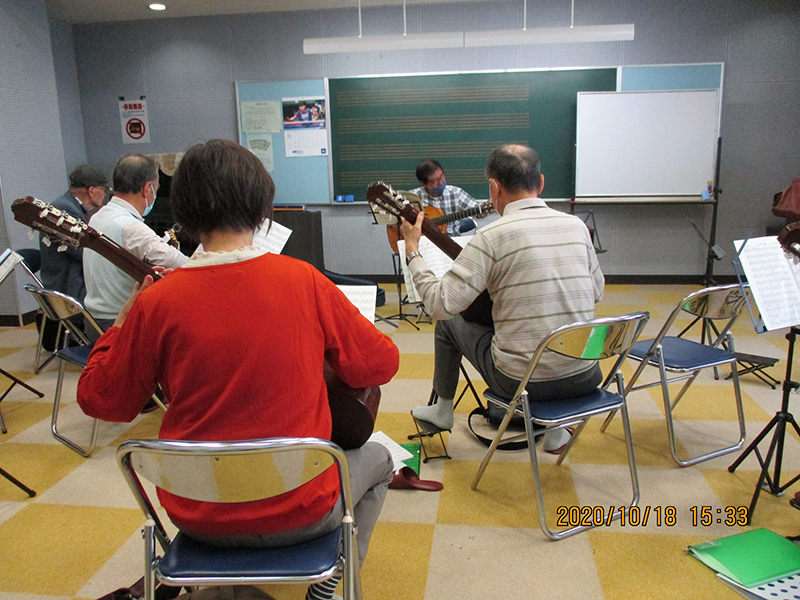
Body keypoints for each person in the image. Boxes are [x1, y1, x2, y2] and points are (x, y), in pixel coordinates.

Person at [76, 139, 398, 600]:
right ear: (261, 208)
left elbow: (101, 400)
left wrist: (120, 325)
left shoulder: (156, 301)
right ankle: (329, 584)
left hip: (197, 513)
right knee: (382, 460)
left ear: (183, 211)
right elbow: (382, 363)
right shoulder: (303, 281)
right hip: (301, 510)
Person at [400, 145, 604, 453]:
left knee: (448, 323)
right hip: (585, 374)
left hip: (521, 383)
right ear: (541, 183)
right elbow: (597, 292)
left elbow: (440, 305)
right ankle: (556, 431)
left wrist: (413, 250)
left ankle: (443, 409)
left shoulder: (491, 236)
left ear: (494, 187)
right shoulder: (577, 227)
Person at [83, 154, 188, 338]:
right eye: (156, 189)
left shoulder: (98, 217)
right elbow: (181, 263)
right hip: (119, 323)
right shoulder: (129, 227)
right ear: (148, 188)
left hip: (93, 321)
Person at [40, 164, 109, 303]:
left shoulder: (68, 205)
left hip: (69, 285)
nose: (105, 195)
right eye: (104, 190)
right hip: (68, 289)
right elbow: (85, 252)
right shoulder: (64, 209)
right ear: (91, 190)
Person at [411, 158, 487, 236]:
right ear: (424, 184)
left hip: (452, 239)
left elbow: (478, 211)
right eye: (434, 181)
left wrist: (486, 207)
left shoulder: (456, 193)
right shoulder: (413, 197)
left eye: (442, 176)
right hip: (422, 240)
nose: (441, 182)